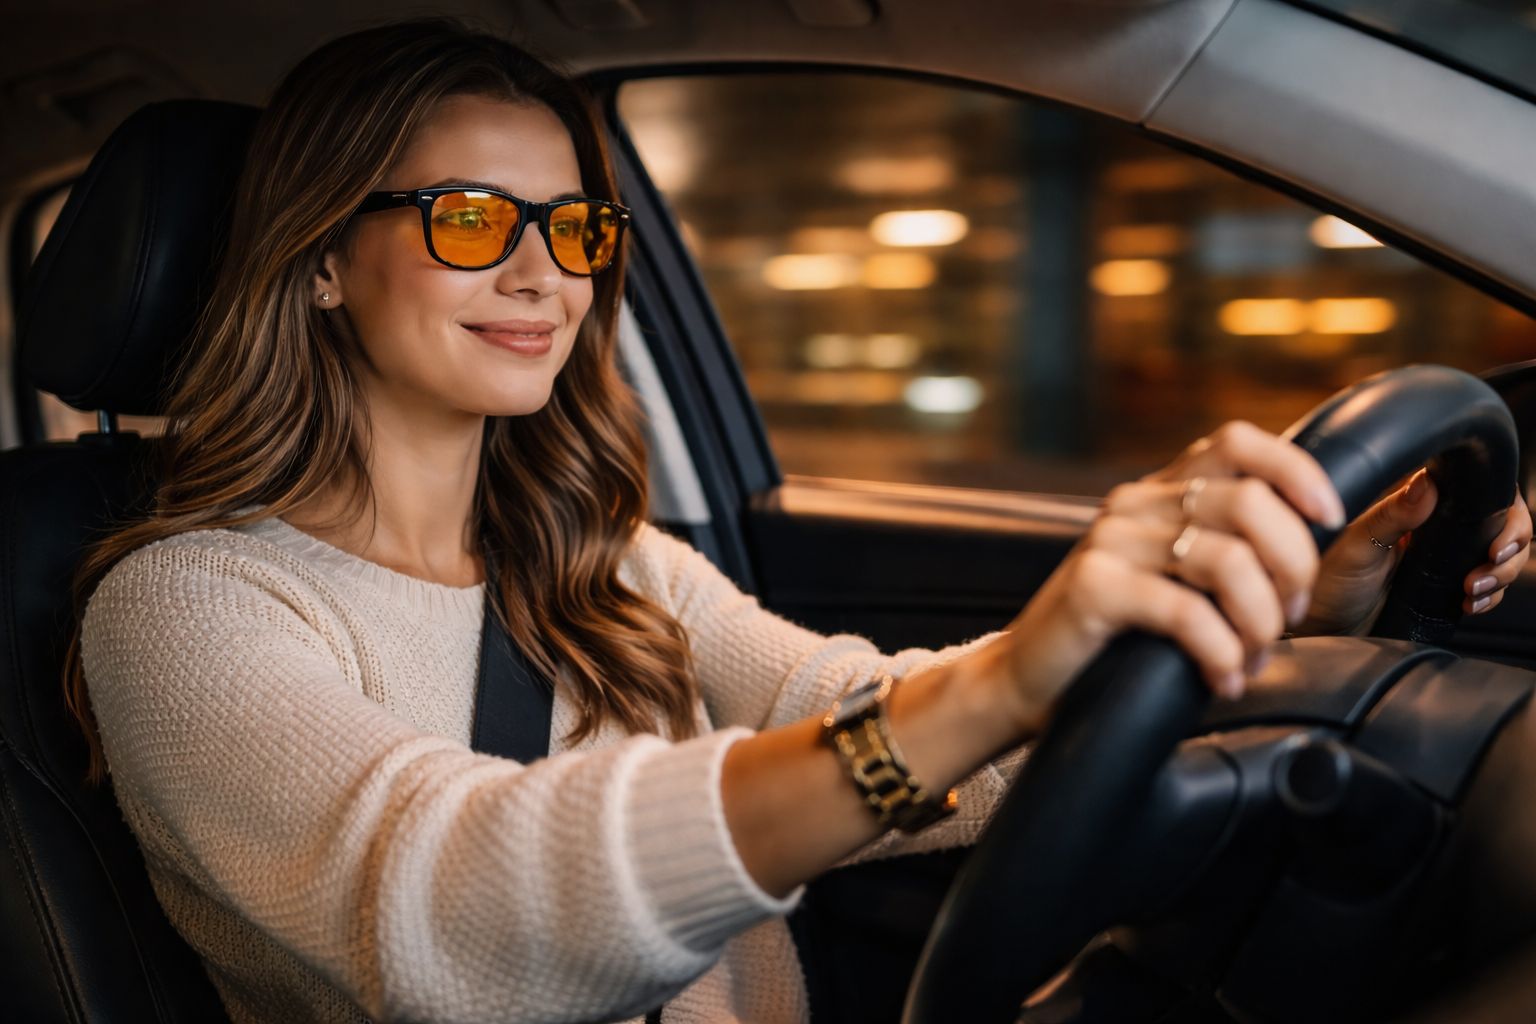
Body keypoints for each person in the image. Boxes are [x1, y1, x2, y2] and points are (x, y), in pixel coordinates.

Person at [66, 18, 1531, 1024]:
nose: (542, 275)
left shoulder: (597, 554)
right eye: (468, 218)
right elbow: (452, 907)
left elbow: (850, 714)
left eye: (574, 226)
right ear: (322, 260)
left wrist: (1284, 611)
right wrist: (1000, 681)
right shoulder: (186, 609)